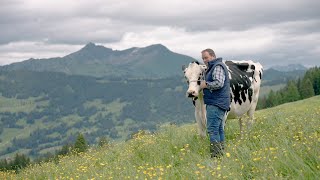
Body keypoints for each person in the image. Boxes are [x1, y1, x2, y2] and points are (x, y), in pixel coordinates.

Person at [200, 49, 230, 158]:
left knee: (212, 130)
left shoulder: (217, 66)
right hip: (220, 102)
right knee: (219, 129)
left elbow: (219, 83)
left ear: (212, 56)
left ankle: (215, 156)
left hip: (216, 103)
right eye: (203, 58)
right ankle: (221, 154)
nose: (204, 60)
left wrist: (205, 84)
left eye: (206, 57)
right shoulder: (215, 66)